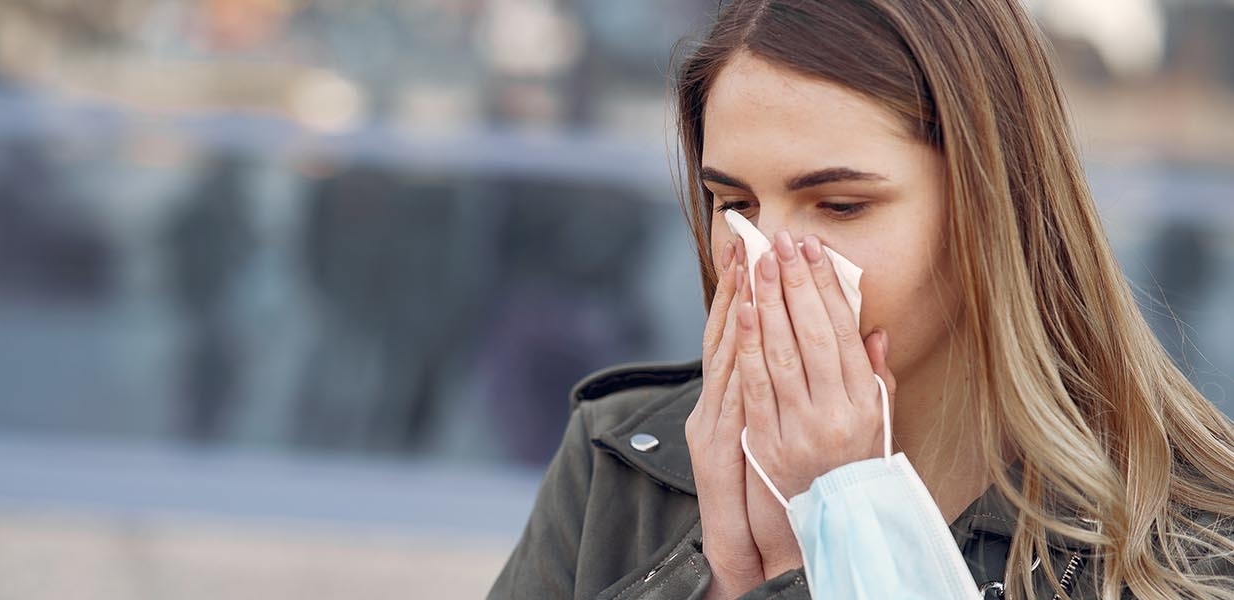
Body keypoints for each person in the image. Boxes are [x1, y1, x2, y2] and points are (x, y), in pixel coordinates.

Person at [489, 1, 1234, 598]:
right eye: (734, 204)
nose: (768, 260)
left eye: (840, 205)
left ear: (991, 210)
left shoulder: (1186, 541)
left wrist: (810, 558)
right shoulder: (615, 462)